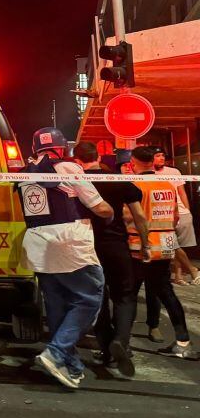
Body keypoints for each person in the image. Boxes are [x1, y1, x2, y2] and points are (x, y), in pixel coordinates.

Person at [16, 127, 110, 389]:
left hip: (37, 244)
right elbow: (98, 206)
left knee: (56, 304)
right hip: (69, 243)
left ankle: (69, 364)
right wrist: (111, 213)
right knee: (90, 298)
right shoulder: (68, 168)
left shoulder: (24, 172)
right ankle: (56, 352)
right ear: (61, 148)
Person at [72, 143, 143, 377]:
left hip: (87, 247)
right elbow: (139, 215)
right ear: (99, 156)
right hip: (117, 246)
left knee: (98, 299)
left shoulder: (76, 182)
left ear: (76, 159)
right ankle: (121, 340)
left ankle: (107, 351)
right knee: (124, 295)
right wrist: (147, 242)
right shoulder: (117, 179)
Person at [129, 146, 196, 359]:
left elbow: (129, 218)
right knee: (166, 292)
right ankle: (183, 342)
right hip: (166, 245)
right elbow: (175, 216)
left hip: (143, 246)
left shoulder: (135, 185)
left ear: (134, 162)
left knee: (127, 295)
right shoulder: (167, 184)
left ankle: (121, 342)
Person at [152, 146, 200, 285]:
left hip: (181, 212)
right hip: (162, 214)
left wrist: (187, 210)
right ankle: (192, 270)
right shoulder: (148, 173)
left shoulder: (174, 171)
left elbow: (181, 191)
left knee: (180, 245)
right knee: (171, 244)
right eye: (158, 155)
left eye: (162, 155)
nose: (161, 158)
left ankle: (179, 276)